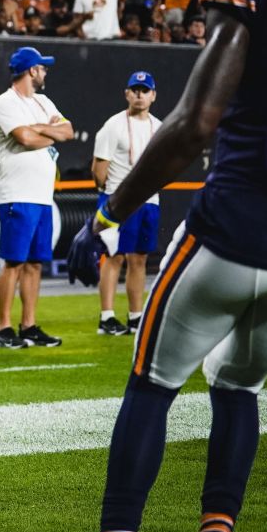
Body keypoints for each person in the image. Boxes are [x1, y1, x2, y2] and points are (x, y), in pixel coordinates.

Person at [68, 0, 267, 532]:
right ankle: (217, 529)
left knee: (152, 384)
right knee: (239, 387)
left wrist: (108, 212)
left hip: (229, 232)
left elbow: (195, 124)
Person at [0, 47, 73, 350]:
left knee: (36, 263)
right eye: (42, 67)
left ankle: (29, 325)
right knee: (14, 262)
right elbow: (24, 138)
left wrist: (41, 129)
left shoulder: (43, 101)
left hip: (41, 195)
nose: (45, 72)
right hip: (18, 194)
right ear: (31, 71)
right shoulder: (5, 102)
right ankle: (3, 328)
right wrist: (49, 133)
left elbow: (69, 131)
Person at [91, 72, 163, 336]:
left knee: (140, 258)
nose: (140, 95)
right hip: (118, 200)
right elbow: (99, 169)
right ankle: (107, 316)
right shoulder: (113, 125)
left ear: (153, 95)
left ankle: (135, 316)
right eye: (135, 90)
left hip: (148, 201)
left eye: (145, 90)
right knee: (113, 256)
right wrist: (109, 196)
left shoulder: (159, 126)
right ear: (127, 94)